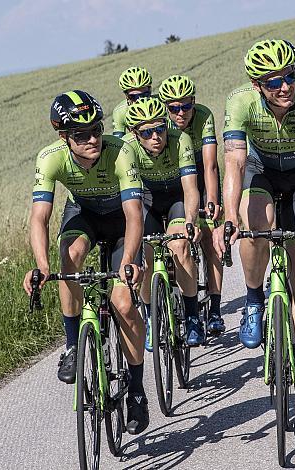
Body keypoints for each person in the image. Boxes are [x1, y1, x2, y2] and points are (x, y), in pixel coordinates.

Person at [215, 39, 295, 418]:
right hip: (261, 171)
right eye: (273, 82)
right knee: (254, 224)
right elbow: (234, 162)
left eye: (289, 77)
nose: (284, 87)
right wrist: (229, 218)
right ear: (257, 86)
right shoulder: (240, 103)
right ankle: (254, 299)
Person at [23, 90, 149, 434]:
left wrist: (128, 262)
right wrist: (42, 267)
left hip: (123, 220)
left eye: (96, 129)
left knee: (123, 302)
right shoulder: (50, 158)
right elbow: (39, 218)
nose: (93, 139)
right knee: (68, 259)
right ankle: (71, 346)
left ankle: (136, 390)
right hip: (85, 215)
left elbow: (135, 215)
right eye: (81, 135)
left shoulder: (121, 151)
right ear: (64, 138)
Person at [121, 96, 204, 347]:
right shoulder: (126, 149)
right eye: (147, 132)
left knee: (179, 246)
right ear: (135, 134)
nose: (156, 137)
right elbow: (130, 202)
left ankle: (191, 315)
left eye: (159, 129)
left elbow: (190, 188)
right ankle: (150, 317)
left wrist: (191, 221)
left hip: (176, 198)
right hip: (146, 203)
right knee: (146, 255)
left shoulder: (181, 140)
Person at [157, 75, 225, 335]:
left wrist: (212, 201)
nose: (180, 113)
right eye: (173, 108)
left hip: (200, 172)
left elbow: (210, 165)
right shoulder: (159, 126)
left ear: (194, 103)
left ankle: (216, 308)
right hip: (176, 180)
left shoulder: (204, 116)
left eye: (186, 106)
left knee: (209, 237)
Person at [111, 66, 153, 137]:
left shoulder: (161, 103)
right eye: (134, 97)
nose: (140, 100)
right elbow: (118, 140)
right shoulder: (120, 112)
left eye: (144, 95)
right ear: (126, 95)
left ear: (150, 90)